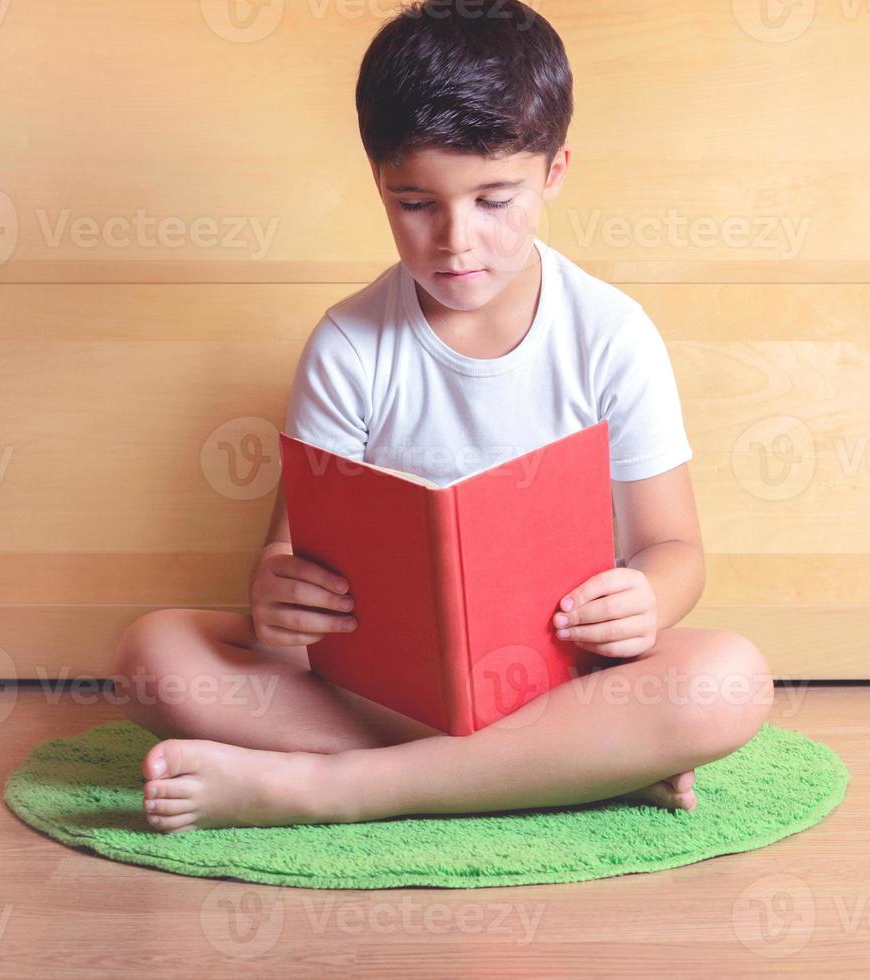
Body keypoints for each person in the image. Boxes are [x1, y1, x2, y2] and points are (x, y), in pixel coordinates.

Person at [112, 0, 773, 832]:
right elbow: (286, 552)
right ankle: (564, 768)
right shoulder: (350, 344)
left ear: (555, 171)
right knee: (153, 653)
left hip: (560, 677)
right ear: (379, 183)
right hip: (386, 684)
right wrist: (278, 589)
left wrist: (646, 598)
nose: (456, 241)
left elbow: (674, 550)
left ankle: (334, 787)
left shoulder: (611, 335)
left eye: (495, 199)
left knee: (728, 676)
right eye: (416, 203)